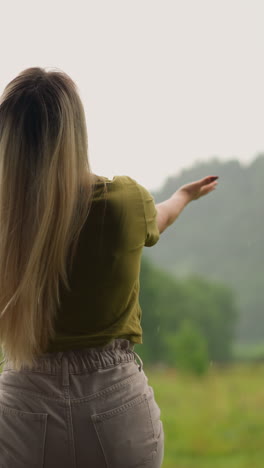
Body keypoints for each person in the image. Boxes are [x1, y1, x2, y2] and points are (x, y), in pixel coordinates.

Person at [0, 67, 218, 468]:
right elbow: (163, 216)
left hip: (20, 413)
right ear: (76, 132)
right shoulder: (123, 203)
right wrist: (184, 197)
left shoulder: (6, 220)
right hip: (114, 408)